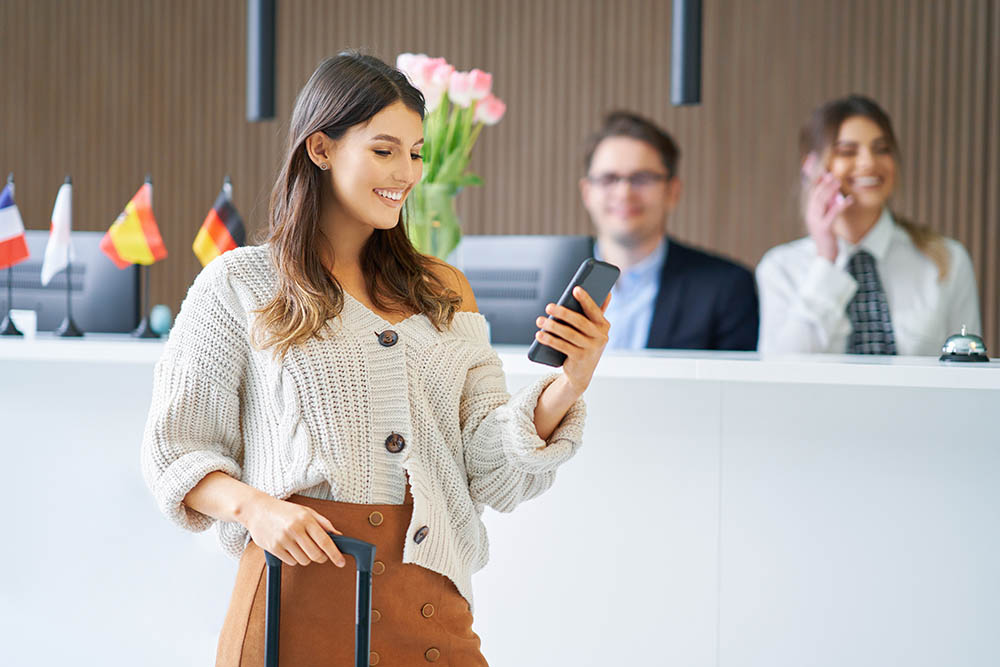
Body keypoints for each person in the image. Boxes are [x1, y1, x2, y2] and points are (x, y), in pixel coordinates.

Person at [140, 52, 610, 667]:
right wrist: (257, 509)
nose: (407, 172)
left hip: (429, 599)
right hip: (297, 594)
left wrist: (569, 382)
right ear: (321, 149)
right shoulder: (240, 285)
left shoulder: (444, 290)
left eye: (416, 153)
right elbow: (175, 452)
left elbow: (491, 470)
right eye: (384, 150)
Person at [756, 94, 981, 355]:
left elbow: (967, 374)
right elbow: (781, 372)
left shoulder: (946, 261)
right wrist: (826, 261)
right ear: (812, 167)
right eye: (847, 152)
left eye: (881, 149)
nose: (868, 163)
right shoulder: (781, 268)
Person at [579, 111, 759, 351]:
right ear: (587, 192)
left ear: (672, 192)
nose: (624, 193)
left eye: (641, 178)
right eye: (609, 179)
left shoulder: (726, 288)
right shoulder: (552, 282)